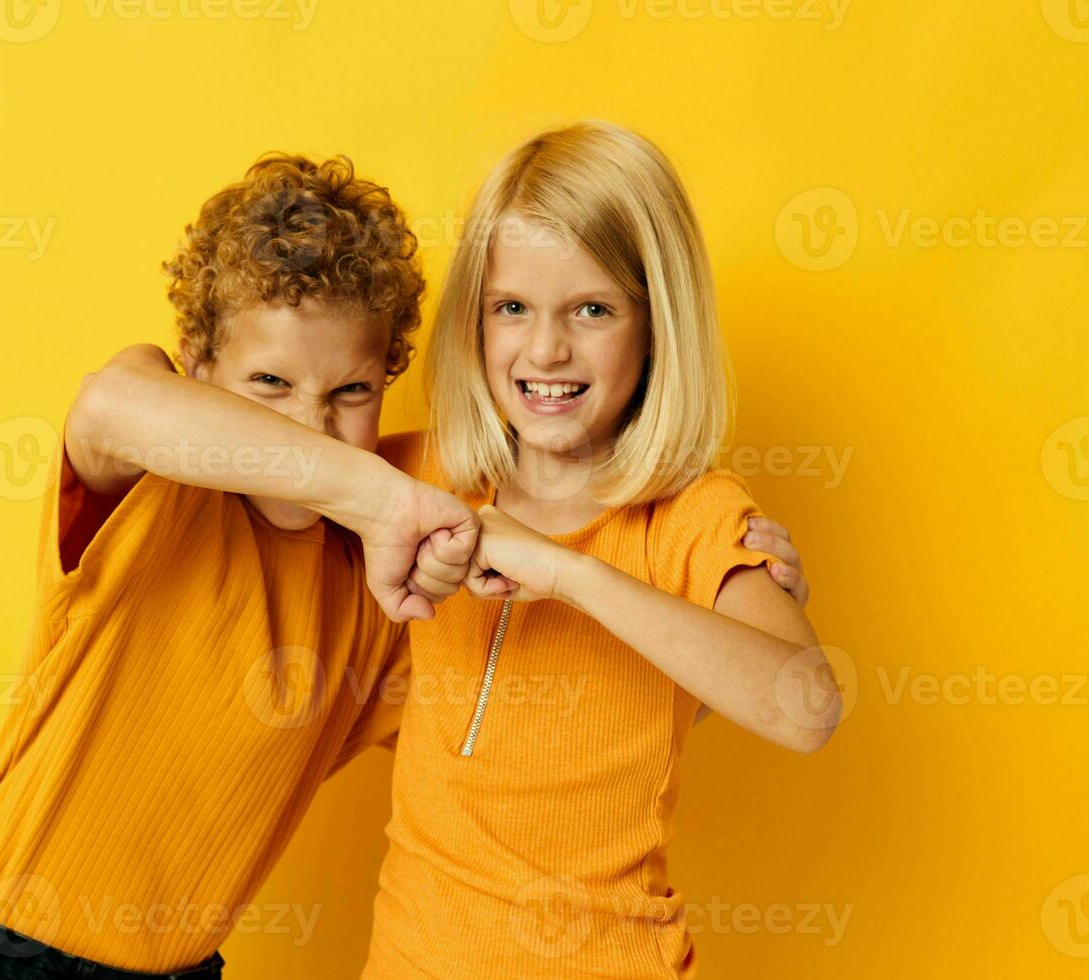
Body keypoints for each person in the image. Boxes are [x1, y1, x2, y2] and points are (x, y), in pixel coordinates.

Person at [0, 153, 476, 980]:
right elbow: (108, 403)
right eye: (270, 381)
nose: (313, 423)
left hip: (184, 968)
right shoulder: (159, 489)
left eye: (351, 391)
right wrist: (375, 493)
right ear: (199, 364)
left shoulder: (373, 563)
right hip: (12, 956)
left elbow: (552, 476)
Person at [359, 120, 839, 978]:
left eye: (592, 309)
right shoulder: (424, 475)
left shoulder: (691, 514)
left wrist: (567, 571)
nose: (545, 351)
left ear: (657, 326)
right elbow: (229, 451)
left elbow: (806, 710)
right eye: (512, 308)